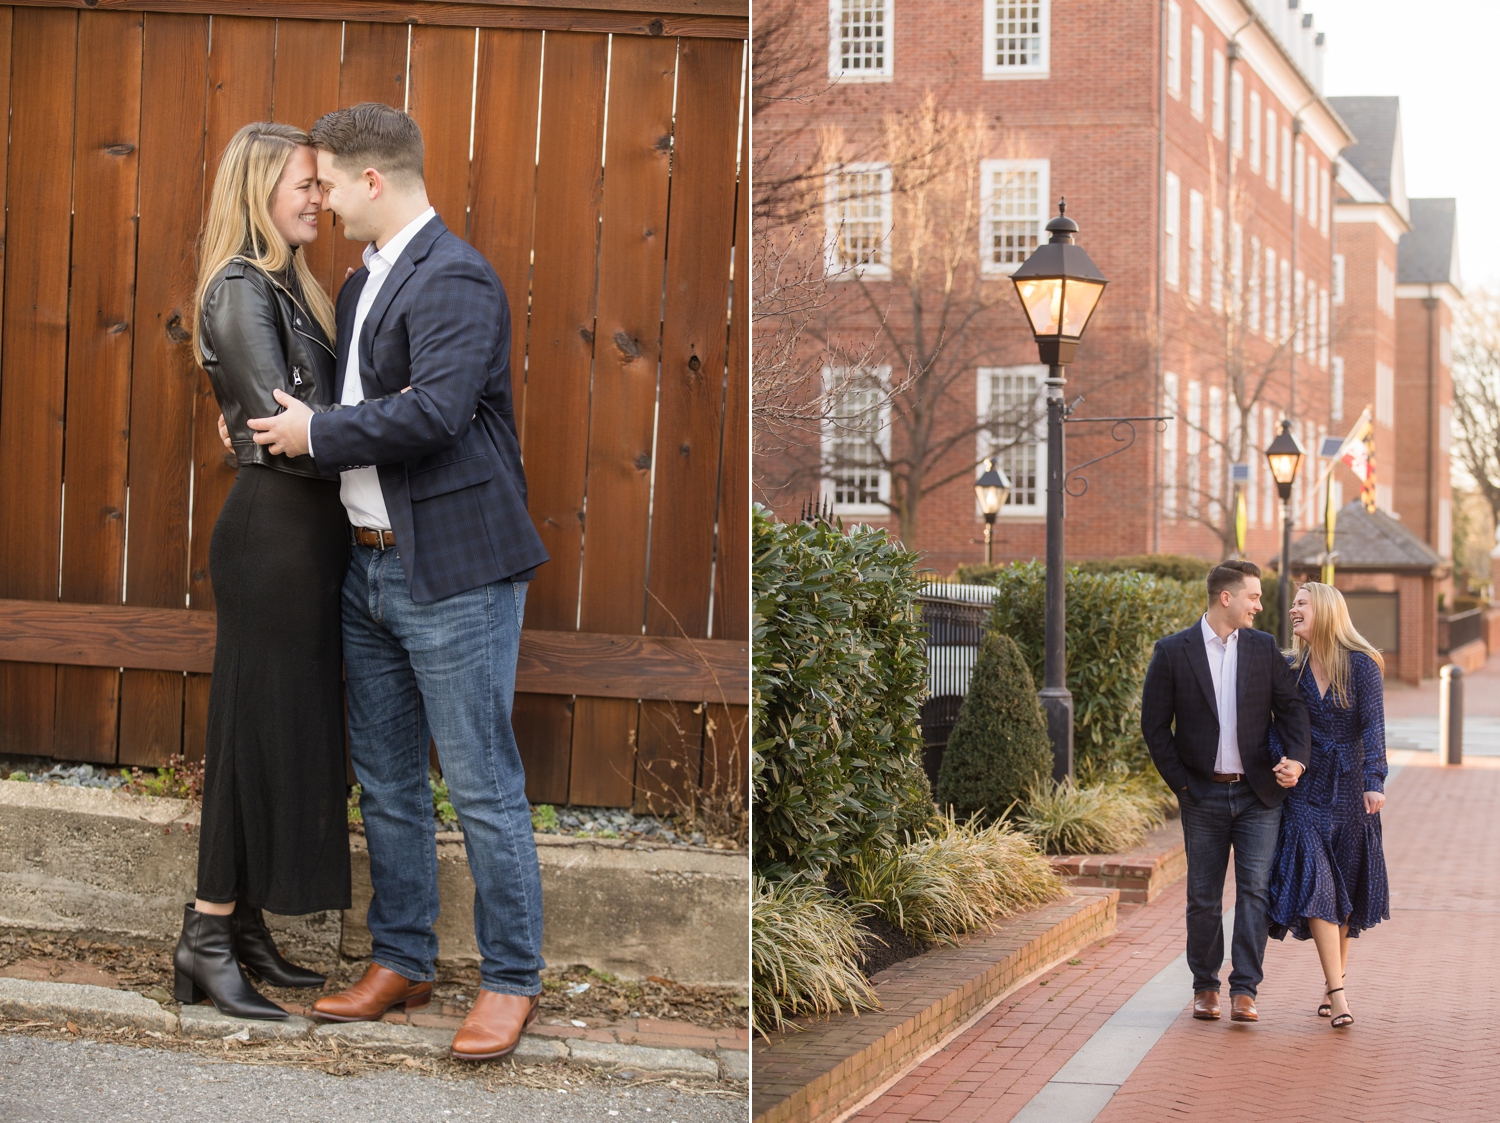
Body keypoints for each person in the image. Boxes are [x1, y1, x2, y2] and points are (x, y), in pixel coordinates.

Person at [247, 102, 551, 1061]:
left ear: (371, 182)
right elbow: (353, 402)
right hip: (368, 568)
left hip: (454, 573)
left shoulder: (455, 275)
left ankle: (510, 981)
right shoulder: (363, 275)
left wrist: (320, 432)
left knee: (482, 784)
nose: (323, 201)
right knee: (384, 781)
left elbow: (437, 412)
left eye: (329, 184)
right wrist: (286, 424)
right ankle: (404, 960)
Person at [177, 122, 350, 1019]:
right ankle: (206, 935)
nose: (319, 197)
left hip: (307, 539)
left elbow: (312, 414)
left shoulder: (292, 289)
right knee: (246, 736)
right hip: (272, 536)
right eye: (304, 184)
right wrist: (350, 421)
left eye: (323, 185)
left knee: (276, 734)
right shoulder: (241, 287)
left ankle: (239, 925)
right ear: (257, 188)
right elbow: (293, 423)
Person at [1140, 560, 1312, 1023]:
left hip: (1259, 796)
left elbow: (1291, 710)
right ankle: (1205, 986)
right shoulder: (1173, 651)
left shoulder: (1262, 649)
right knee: (1203, 895)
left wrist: (1296, 758)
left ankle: (1245, 990)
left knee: (1255, 891)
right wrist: (1182, 784)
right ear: (1226, 598)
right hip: (1203, 795)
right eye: (1253, 597)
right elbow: (1155, 727)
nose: (1259, 605)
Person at [1267, 582, 1390, 1029]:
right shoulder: (1289, 669)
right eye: (1294, 604)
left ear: (1325, 610)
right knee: (1318, 882)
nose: (1293, 610)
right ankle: (1338, 993)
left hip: (1351, 788)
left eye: (1301, 603)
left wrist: (1374, 781)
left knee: (1345, 889)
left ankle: (1330, 982)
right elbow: (1274, 724)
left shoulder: (1361, 665)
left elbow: (1374, 727)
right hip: (1303, 789)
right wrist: (1281, 761)